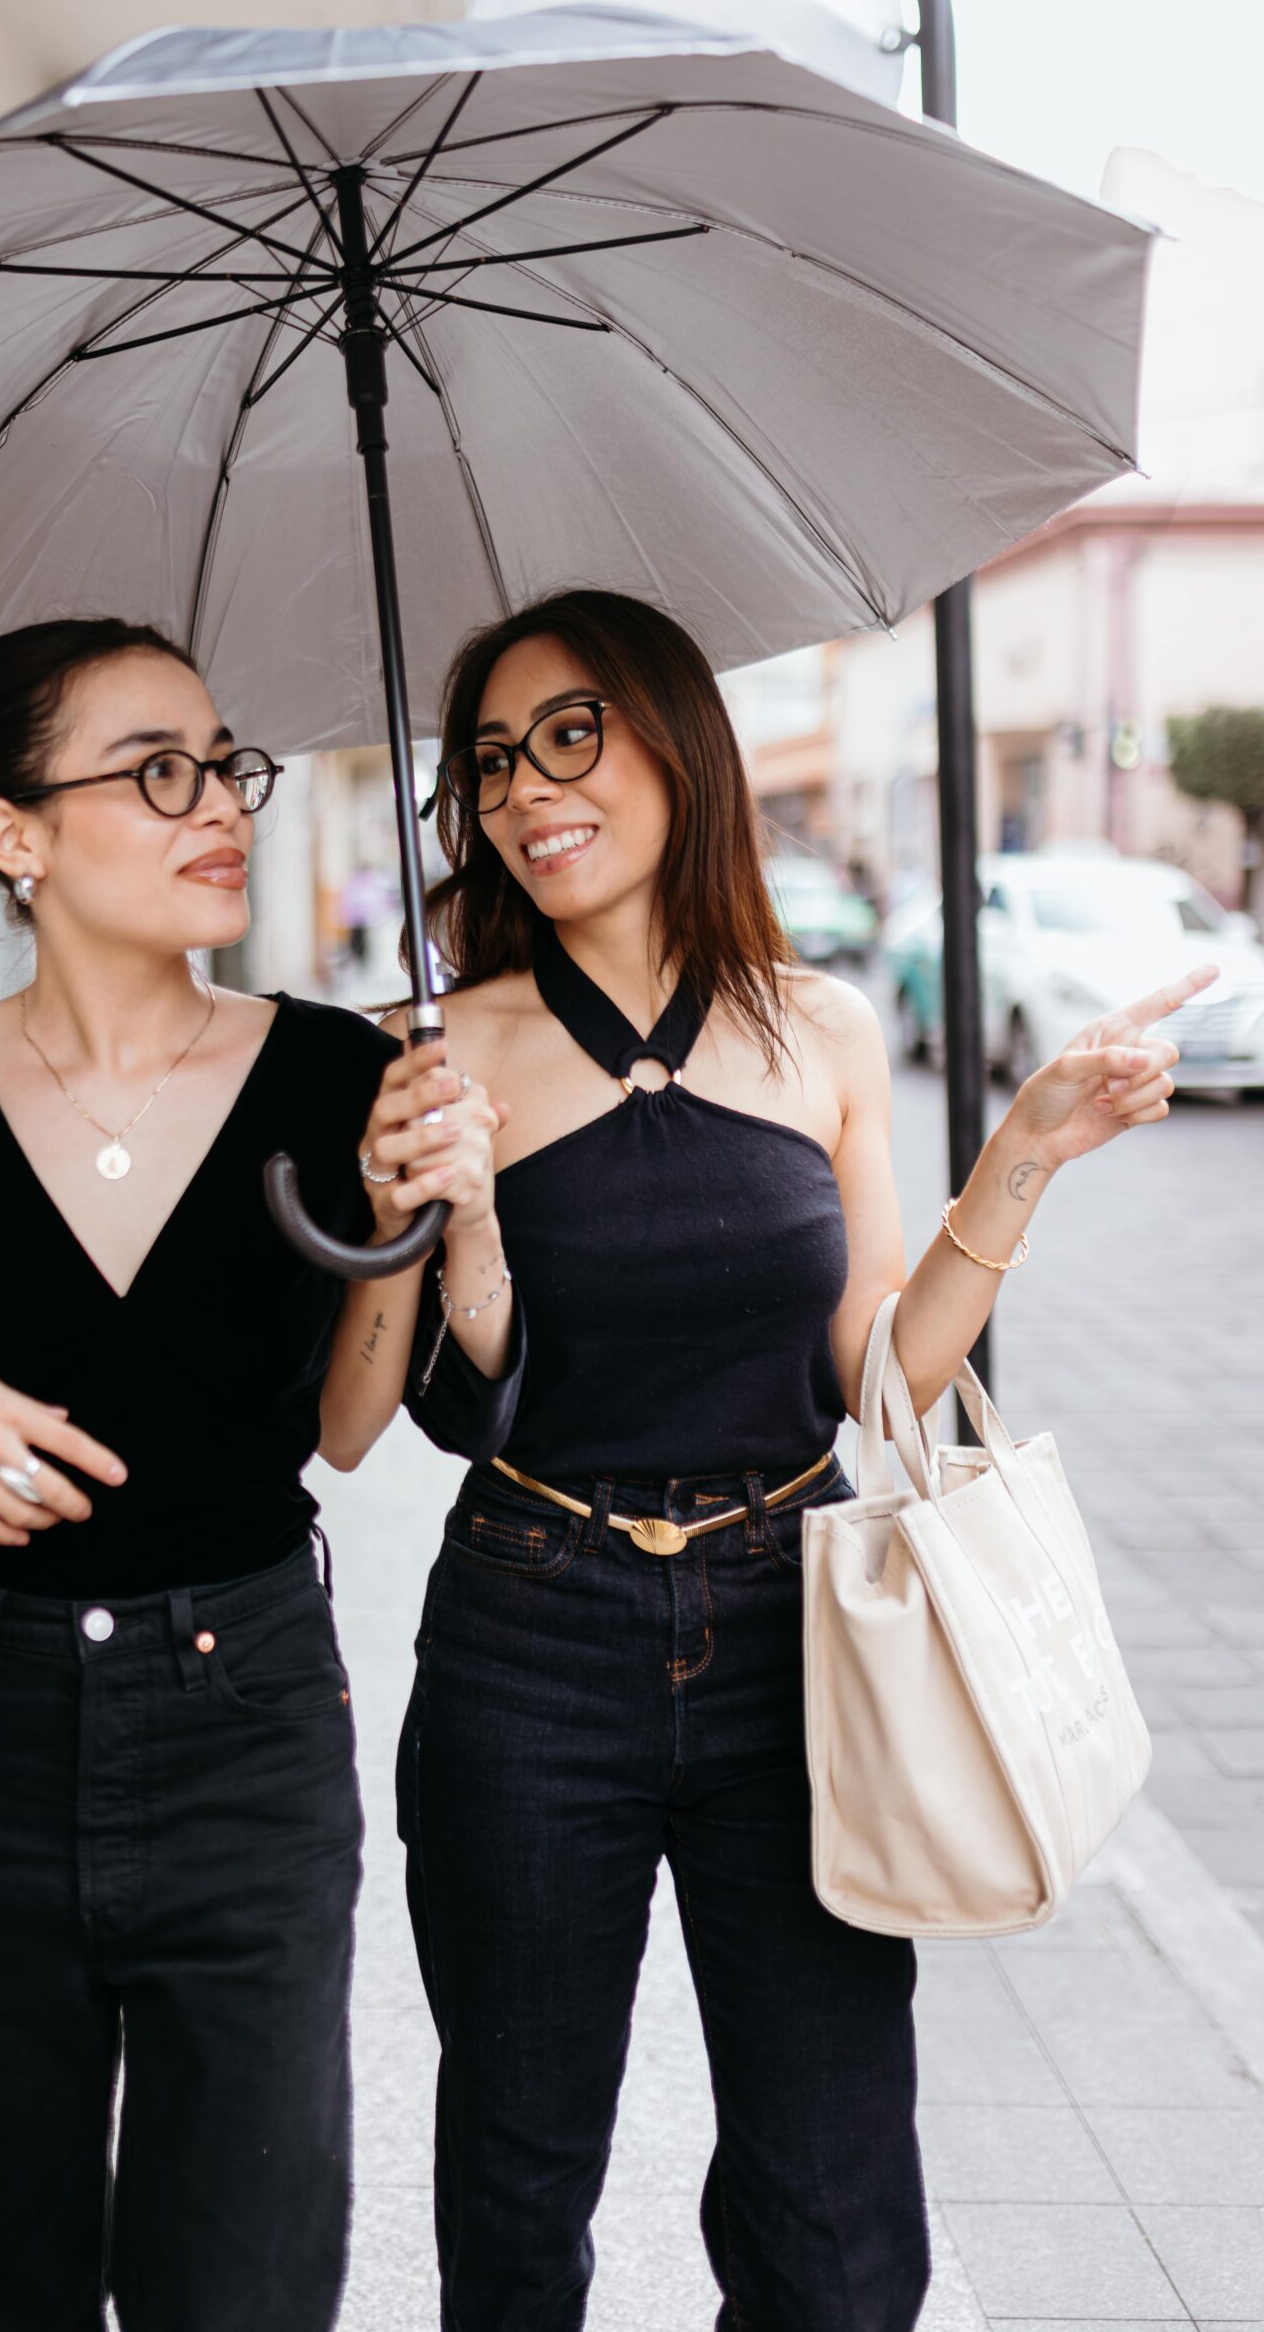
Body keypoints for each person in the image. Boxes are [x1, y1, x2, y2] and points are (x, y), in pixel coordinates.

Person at [367, 588, 1209, 2332]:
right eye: (497, 761)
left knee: (834, 2201)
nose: (532, 789)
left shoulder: (815, 1026)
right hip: (532, 1634)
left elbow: (873, 1374)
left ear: (681, 744)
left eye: (573, 734)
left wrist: (1025, 1155)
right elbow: (450, 1409)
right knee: (520, 2181)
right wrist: (458, 1227)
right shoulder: (454, 1050)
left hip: (785, 1630)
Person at [0, 617, 521, 2332]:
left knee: (244, 2269)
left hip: (246, 1720)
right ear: (13, 834)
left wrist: (428, 1221)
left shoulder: (335, 1070)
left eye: (224, 764)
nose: (218, 804)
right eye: (156, 772)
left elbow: (346, 1431)